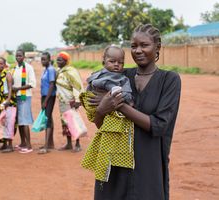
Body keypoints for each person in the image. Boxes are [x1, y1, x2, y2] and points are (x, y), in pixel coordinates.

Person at [91, 24, 181, 200]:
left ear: (157, 47)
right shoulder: (119, 76)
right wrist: (101, 110)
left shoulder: (169, 80)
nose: (138, 50)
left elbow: (159, 125)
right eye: (133, 46)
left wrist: (118, 104)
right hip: (114, 166)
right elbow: (101, 123)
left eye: (144, 45)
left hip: (148, 167)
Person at [80, 45, 135, 182]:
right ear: (103, 61)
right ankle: (102, 164)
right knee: (103, 134)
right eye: (112, 61)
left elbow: (127, 93)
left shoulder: (122, 79)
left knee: (110, 136)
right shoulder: (97, 74)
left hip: (114, 112)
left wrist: (126, 100)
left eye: (120, 62)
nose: (117, 65)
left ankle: (108, 164)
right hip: (97, 107)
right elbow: (89, 87)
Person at [55, 51, 84, 152]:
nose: (58, 61)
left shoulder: (71, 71)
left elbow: (77, 86)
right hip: (62, 101)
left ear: (66, 61)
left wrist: (77, 100)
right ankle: (68, 144)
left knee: (73, 122)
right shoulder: (59, 71)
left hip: (70, 101)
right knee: (65, 123)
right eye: (57, 59)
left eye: (60, 59)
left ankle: (77, 144)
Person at [12, 49, 36, 153]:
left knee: (24, 121)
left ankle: (29, 146)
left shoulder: (29, 68)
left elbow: (32, 84)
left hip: (25, 97)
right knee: (19, 121)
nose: (18, 58)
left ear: (24, 57)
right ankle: (23, 143)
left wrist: (18, 89)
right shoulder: (15, 68)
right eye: (17, 56)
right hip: (16, 97)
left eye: (20, 56)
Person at [0, 57, 15, 153]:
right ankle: (4, 144)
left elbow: (10, 88)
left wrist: (8, 100)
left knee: (8, 122)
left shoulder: (7, 74)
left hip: (6, 100)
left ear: (5, 64)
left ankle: (10, 145)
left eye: (1, 63)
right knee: (1, 122)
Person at [38, 52, 57, 154]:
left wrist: (45, 101)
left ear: (49, 60)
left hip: (49, 97)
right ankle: (50, 143)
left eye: (44, 59)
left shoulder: (50, 69)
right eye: (42, 59)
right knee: (49, 118)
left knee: (47, 119)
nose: (42, 61)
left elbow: (51, 85)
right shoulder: (46, 69)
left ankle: (46, 146)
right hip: (45, 96)